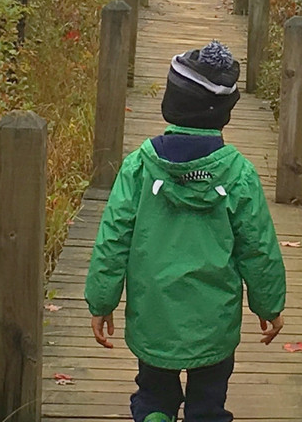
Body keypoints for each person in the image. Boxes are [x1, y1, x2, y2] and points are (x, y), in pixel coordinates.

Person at [84, 40, 287, 422]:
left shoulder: (138, 167)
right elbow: (257, 248)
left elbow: (113, 239)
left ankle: (155, 416)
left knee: (154, 396)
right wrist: (269, 304)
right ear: (225, 115)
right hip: (213, 323)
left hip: (154, 318)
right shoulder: (239, 174)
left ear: (168, 102)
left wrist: (102, 300)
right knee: (208, 404)